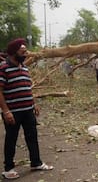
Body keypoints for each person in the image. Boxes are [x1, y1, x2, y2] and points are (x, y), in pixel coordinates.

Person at [0, 38, 54, 179]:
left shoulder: (24, 67)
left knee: (32, 137)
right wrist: (6, 111)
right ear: (13, 52)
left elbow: (27, 87)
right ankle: (8, 169)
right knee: (11, 139)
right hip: (13, 112)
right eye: (22, 52)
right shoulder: (3, 68)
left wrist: (34, 103)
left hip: (27, 109)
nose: (25, 54)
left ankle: (36, 162)